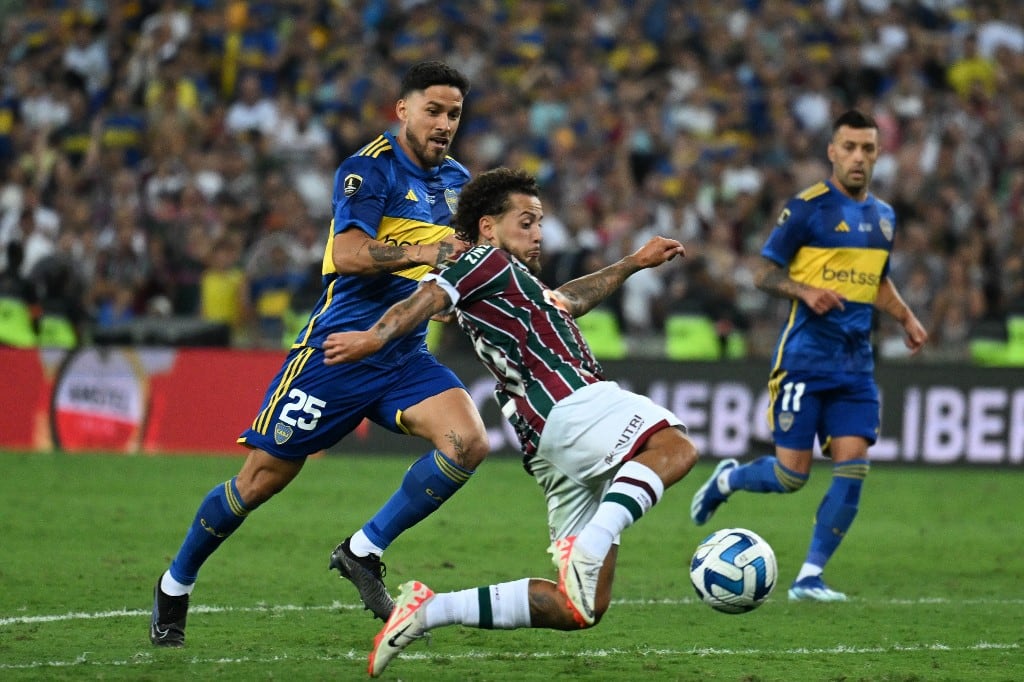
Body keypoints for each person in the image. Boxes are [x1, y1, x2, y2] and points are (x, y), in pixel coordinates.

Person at [150, 61, 490, 646]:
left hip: (404, 354)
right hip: (336, 356)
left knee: (469, 442)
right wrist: (426, 253)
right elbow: (352, 253)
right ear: (402, 109)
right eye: (432, 110)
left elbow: (458, 261)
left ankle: (363, 551)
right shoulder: (368, 169)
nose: (443, 123)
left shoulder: (458, 180)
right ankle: (174, 585)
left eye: (453, 113)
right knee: (258, 482)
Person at [321, 167, 699, 677]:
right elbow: (428, 297)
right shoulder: (481, 260)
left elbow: (571, 300)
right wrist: (374, 336)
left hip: (550, 444)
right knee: (675, 448)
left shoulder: (515, 284)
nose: (538, 232)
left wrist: (632, 262)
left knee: (578, 606)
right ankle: (597, 535)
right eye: (526, 221)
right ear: (487, 227)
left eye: (541, 222)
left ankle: (429, 611)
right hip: (571, 403)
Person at [690, 109, 928, 602]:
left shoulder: (884, 218)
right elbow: (762, 273)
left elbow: (876, 280)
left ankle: (809, 577)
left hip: (856, 365)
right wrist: (804, 290)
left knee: (854, 466)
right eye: (850, 147)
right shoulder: (807, 209)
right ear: (833, 152)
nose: (859, 157)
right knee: (789, 475)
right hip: (804, 359)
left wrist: (905, 317)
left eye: (868, 148)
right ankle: (728, 479)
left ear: (878, 154)